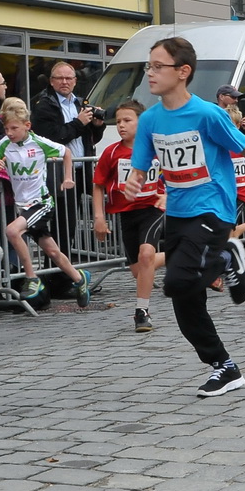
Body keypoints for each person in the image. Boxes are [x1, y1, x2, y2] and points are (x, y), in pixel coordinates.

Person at [128, 36, 245, 397]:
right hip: (178, 213)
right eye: (149, 66)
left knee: (177, 281)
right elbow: (140, 167)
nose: (151, 73)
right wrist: (134, 183)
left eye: (158, 66)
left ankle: (227, 255)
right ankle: (225, 367)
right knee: (185, 299)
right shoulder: (149, 120)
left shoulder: (207, 114)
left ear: (183, 72)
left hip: (213, 208)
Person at [0, 98, 91, 304]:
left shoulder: (38, 143)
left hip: (41, 203)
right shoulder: (3, 145)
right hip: (22, 205)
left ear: (27, 126)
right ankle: (79, 279)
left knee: (11, 231)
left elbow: (67, 152)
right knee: (52, 251)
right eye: (6, 128)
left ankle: (31, 278)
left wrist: (68, 177)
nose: (9, 133)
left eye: (14, 128)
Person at [32, 61, 103, 300]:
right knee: (61, 227)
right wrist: (79, 122)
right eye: (60, 78)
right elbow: (52, 138)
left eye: (69, 78)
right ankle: (56, 280)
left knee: (69, 228)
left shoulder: (79, 103)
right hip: (58, 173)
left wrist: (96, 127)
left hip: (80, 170)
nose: (65, 82)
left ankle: (63, 277)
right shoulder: (44, 105)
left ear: (75, 81)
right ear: (51, 81)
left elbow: (85, 137)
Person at [92, 100, 165, 333]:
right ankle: (182, 252)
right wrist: (99, 218)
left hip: (153, 208)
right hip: (126, 214)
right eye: (118, 121)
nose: (121, 125)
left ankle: (141, 312)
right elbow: (98, 186)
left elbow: (177, 174)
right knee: (139, 270)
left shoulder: (157, 148)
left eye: (127, 120)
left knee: (146, 255)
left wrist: (170, 195)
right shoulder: (111, 152)